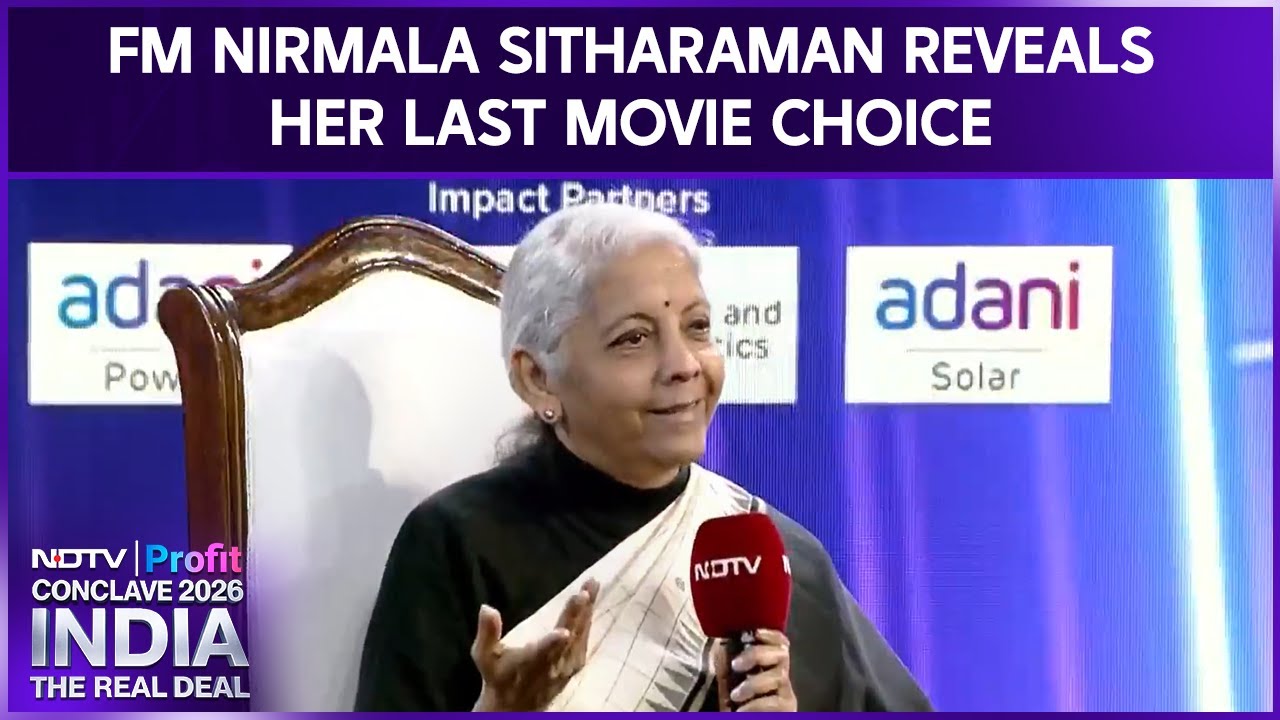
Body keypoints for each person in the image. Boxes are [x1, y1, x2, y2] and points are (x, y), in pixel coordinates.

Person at [354, 202, 933, 712]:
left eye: (697, 327)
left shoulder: (773, 553)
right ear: (538, 379)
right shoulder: (456, 544)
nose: (683, 365)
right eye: (633, 338)